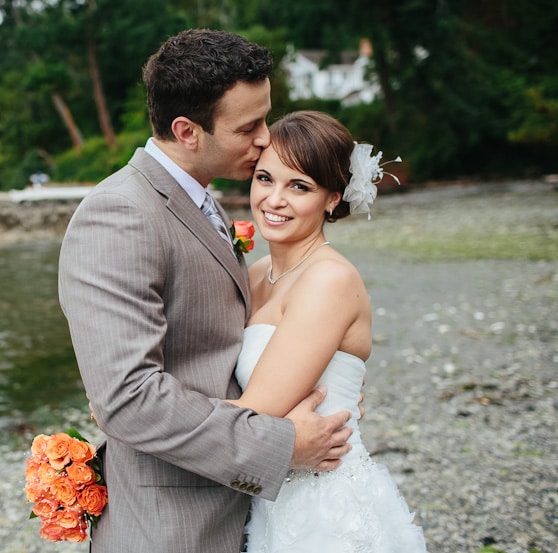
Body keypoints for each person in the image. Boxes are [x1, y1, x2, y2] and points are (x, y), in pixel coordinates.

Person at [57, 30, 353, 553]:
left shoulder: (202, 202)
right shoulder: (121, 214)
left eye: (266, 116)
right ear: (187, 131)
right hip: (170, 525)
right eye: (249, 126)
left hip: (231, 508)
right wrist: (282, 447)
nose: (267, 138)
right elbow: (129, 398)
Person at [229, 110, 427, 551]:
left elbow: (252, 414)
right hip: (266, 495)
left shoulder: (329, 280)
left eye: (299, 186)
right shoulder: (256, 273)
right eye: (265, 179)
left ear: (333, 198)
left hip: (324, 508)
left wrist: (141, 408)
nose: (274, 199)